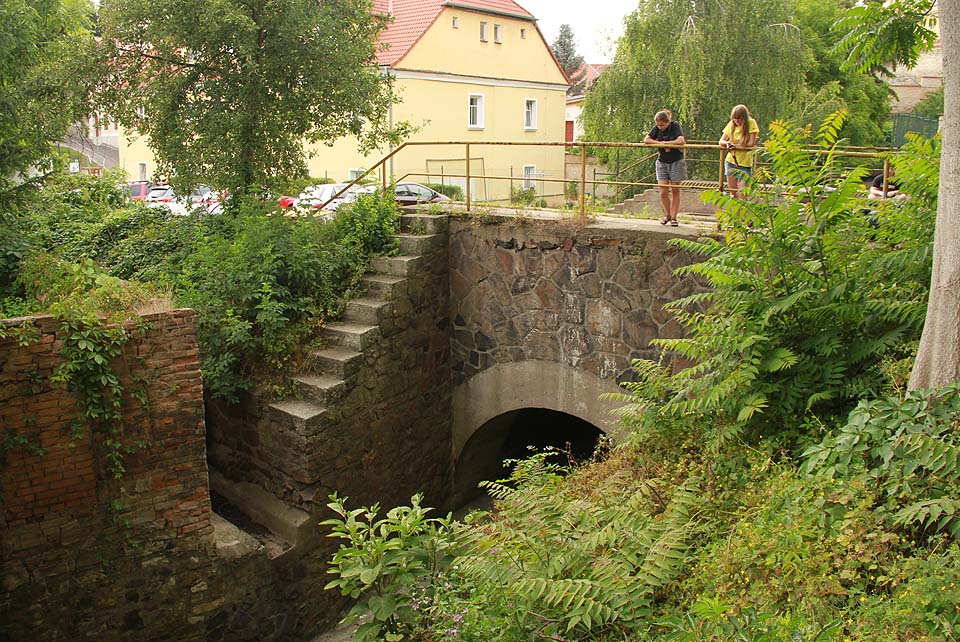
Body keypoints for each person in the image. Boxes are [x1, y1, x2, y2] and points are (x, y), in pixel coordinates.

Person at [644, 109, 687, 226]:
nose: (660, 127)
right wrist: (661, 144)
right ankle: (667, 214)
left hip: (676, 161)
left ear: (667, 122)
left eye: (662, 125)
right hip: (662, 162)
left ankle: (674, 217)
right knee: (662, 191)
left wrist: (669, 144)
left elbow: (681, 140)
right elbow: (646, 139)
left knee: (675, 190)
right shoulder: (656, 128)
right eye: (658, 125)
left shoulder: (675, 125)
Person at [719, 104, 760, 199]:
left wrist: (737, 146)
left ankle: (743, 214)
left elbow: (751, 143)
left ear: (744, 118)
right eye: (735, 119)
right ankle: (735, 214)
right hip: (731, 162)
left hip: (745, 163)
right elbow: (721, 141)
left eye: (740, 119)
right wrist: (727, 144)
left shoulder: (751, 123)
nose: (737, 121)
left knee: (743, 195)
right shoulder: (731, 124)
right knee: (733, 195)